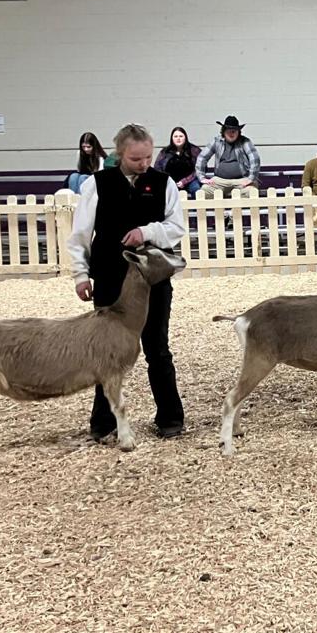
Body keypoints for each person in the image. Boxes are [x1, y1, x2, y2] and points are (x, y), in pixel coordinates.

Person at [67, 124, 187, 440]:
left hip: (153, 280)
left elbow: (175, 227)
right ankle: (103, 422)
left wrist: (146, 232)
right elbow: (80, 235)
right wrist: (81, 274)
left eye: (148, 156)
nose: (144, 163)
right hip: (110, 277)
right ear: (120, 154)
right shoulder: (97, 184)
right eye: (136, 159)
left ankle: (170, 418)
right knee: (107, 352)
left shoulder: (164, 183)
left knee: (157, 347)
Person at [196, 115, 261, 196]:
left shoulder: (245, 141)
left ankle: (237, 208)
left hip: (241, 180)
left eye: (234, 131)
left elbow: (255, 159)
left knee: (251, 192)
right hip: (219, 181)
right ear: (224, 131)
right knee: (204, 191)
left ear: (238, 132)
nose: (231, 133)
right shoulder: (217, 141)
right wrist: (201, 177)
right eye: (228, 131)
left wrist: (251, 178)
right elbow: (202, 157)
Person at [155, 127, 202, 197]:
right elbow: (157, 168)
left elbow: (200, 169)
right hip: (170, 181)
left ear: (185, 137)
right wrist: (169, 181)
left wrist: (184, 181)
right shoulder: (165, 152)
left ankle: (193, 208)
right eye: (175, 136)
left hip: (191, 180)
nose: (178, 138)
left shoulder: (194, 150)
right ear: (172, 138)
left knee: (196, 189)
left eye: (181, 136)